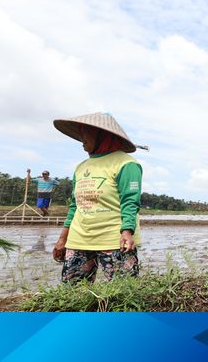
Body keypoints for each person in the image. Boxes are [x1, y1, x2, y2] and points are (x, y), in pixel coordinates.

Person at [51, 112, 143, 283]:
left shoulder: (126, 164)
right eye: (80, 133)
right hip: (79, 239)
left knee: (123, 294)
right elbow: (74, 206)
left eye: (86, 133)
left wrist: (127, 232)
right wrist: (62, 239)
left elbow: (130, 200)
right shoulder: (81, 167)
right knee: (74, 294)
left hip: (115, 240)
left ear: (102, 134)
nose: (81, 138)